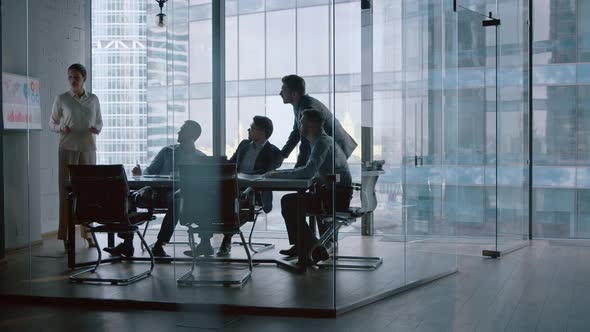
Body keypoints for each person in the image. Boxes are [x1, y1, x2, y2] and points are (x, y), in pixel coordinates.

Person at [103, 120, 206, 257]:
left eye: (182, 130)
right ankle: (127, 243)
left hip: (176, 194)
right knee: (128, 197)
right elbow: (149, 172)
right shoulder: (167, 151)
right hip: (155, 193)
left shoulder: (200, 158)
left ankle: (159, 244)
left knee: (176, 200)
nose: (178, 132)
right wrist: (141, 176)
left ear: (192, 135)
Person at [265, 109, 352, 263]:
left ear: (311, 124)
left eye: (302, 122)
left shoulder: (321, 143)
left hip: (333, 197)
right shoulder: (323, 141)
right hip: (334, 194)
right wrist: (279, 172)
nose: (299, 126)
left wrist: (277, 174)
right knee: (290, 202)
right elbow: (307, 170)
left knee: (289, 203)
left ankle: (313, 247)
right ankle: (303, 245)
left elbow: (307, 173)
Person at [49, 63, 103, 249]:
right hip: (67, 147)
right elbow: (52, 123)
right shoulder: (62, 98)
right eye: (70, 77)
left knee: (89, 192)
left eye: (76, 77)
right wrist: (60, 128)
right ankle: (65, 235)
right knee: (66, 192)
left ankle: (88, 234)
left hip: (88, 148)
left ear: (84, 79)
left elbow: (99, 121)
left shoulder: (93, 99)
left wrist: (97, 129)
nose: (73, 80)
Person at [215, 116, 283, 257]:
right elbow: (231, 164)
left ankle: (226, 238)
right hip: (235, 187)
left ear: (262, 132)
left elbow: (266, 173)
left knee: (234, 201)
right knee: (218, 195)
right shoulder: (244, 145)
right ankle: (208, 238)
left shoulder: (275, 152)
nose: (248, 130)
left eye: (252, 128)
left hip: (255, 192)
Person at [279, 74, 357, 167]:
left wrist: (297, 170)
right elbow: (296, 133)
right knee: (322, 177)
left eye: (283, 90)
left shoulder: (307, 107)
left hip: (338, 147)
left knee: (330, 178)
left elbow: (306, 144)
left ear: (294, 94)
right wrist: (283, 155)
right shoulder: (300, 104)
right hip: (332, 147)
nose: (280, 93)